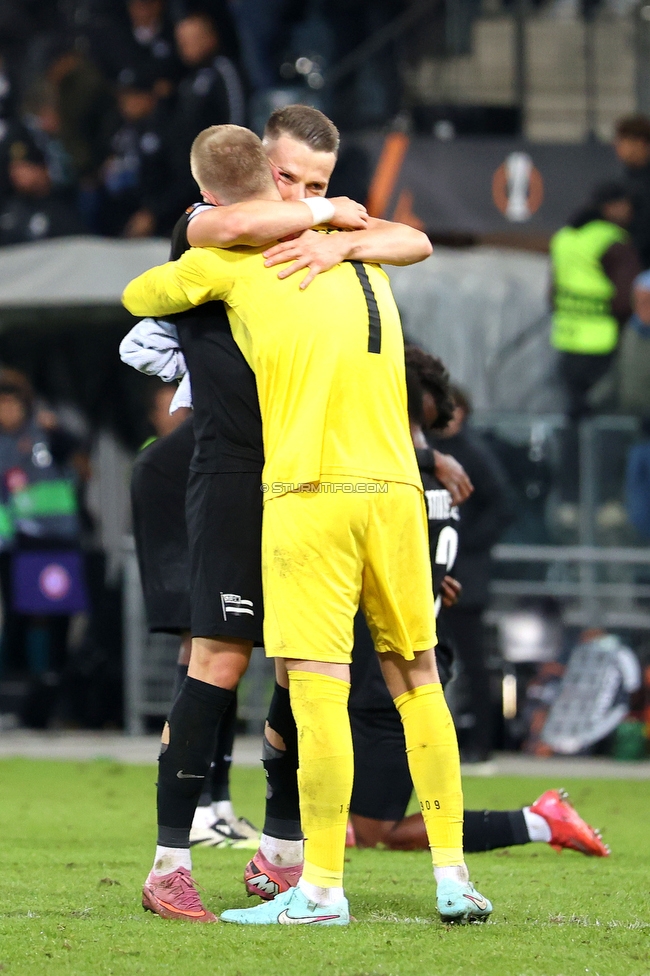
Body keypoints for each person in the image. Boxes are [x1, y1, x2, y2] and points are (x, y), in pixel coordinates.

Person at [123, 123, 491, 925]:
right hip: (291, 479)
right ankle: (175, 861)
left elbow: (141, 296)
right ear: (265, 167)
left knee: (309, 679)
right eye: (292, 179)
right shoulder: (237, 232)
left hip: (311, 482)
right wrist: (332, 223)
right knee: (243, 665)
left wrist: (333, 233)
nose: (306, 196)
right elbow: (180, 262)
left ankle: (301, 869)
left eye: (321, 184)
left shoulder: (299, 252)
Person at [131, 380, 255, 846]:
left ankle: (218, 804)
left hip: (205, 495)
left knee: (226, 647)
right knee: (206, 644)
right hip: (180, 500)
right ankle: (198, 810)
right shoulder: (177, 451)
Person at [431, 385, 514, 762]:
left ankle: (481, 741)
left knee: (472, 661)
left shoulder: (474, 454)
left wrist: (465, 542)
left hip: (465, 576)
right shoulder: (428, 450)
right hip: (430, 571)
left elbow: (502, 505)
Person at [550, 182, 641, 510]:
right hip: (602, 348)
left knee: (574, 426)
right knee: (607, 427)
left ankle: (570, 499)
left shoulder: (564, 237)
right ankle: (606, 501)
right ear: (611, 206)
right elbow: (625, 300)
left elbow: (552, 294)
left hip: (567, 342)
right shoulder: (613, 242)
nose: (629, 212)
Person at [614, 114, 650, 270]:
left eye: (623, 141)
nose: (617, 146)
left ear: (640, 143)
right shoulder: (624, 181)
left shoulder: (643, 184)